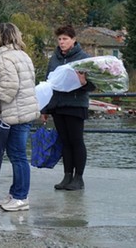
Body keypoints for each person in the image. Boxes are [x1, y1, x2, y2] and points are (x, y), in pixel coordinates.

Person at [0, 23, 40, 212]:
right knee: (17, 155)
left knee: (18, 157)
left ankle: (21, 197)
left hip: (16, 113)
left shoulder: (5, 58)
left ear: (0, 37)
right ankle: (15, 192)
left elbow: (10, 87)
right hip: (24, 111)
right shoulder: (23, 56)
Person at [41, 25, 95, 191]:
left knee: (76, 141)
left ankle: (79, 178)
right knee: (64, 142)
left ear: (73, 40)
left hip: (76, 104)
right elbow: (48, 82)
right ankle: (67, 176)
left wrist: (84, 82)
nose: (62, 42)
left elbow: (93, 85)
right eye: (60, 39)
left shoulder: (83, 58)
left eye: (65, 39)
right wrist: (45, 109)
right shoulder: (55, 58)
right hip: (58, 104)